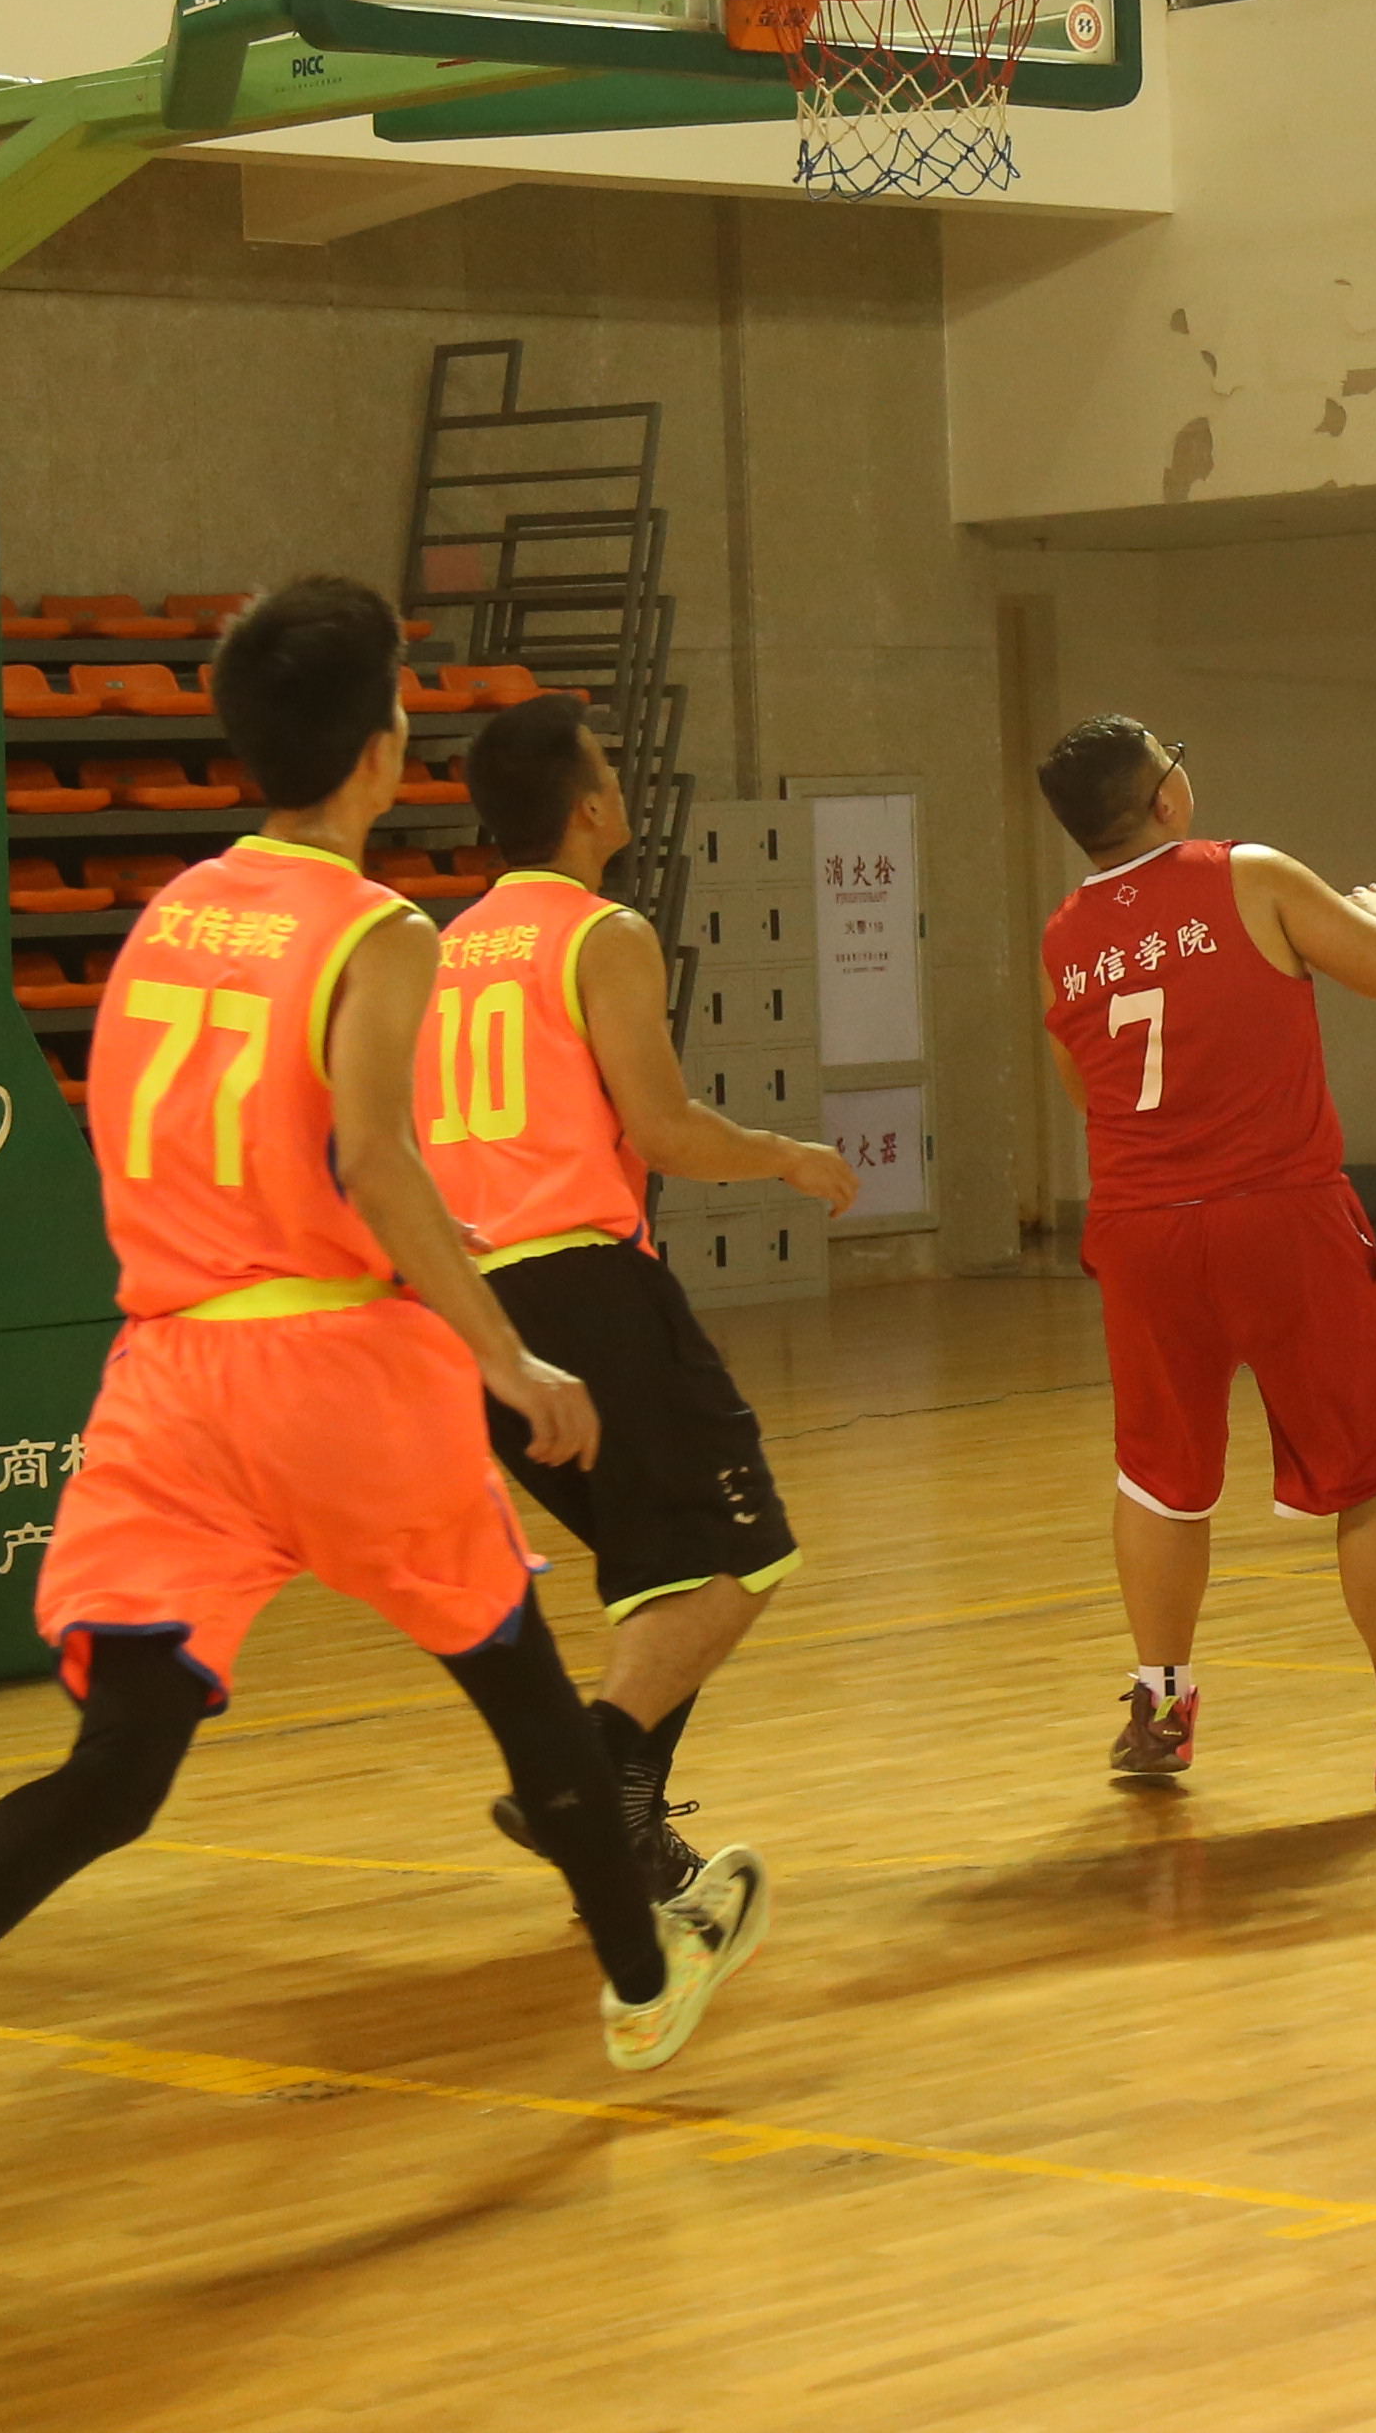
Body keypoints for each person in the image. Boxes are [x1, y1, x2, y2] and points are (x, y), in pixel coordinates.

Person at [0, 581, 696, 2207]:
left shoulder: (166, 915)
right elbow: (374, 1156)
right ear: (384, 750)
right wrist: (502, 1352)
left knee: (118, 1763)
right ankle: (645, 1982)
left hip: (168, 1370)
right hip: (334, 1364)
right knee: (520, 1685)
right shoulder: (378, 929)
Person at [431, 696, 863, 2006]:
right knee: (743, 1552)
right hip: (582, 1286)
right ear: (586, 808)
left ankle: (623, 1827)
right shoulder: (600, 933)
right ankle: (581, 1779)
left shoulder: (441, 947)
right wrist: (787, 1154)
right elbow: (662, 1127)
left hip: (468, 1312)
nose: (621, 786)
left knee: (660, 1574)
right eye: (609, 771)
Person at [1031, 715, 1376, 1802]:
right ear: (1163, 797)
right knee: (1374, 1473)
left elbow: (1084, 1082)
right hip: (1279, 1212)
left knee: (1158, 1477)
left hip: (1142, 1225)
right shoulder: (1246, 874)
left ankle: (1158, 1710)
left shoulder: (1065, 934)